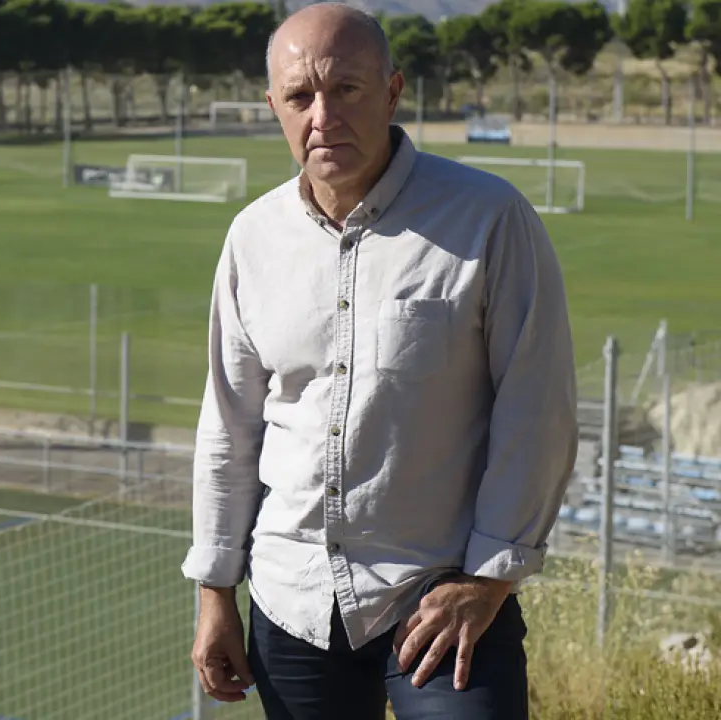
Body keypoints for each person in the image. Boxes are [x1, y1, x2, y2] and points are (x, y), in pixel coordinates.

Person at [181, 3, 578, 719]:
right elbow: (229, 427)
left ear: (393, 92)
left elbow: (537, 412)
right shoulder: (252, 239)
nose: (323, 116)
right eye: (300, 97)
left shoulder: (489, 219)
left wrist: (488, 583)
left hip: (442, 596)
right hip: (292, 604)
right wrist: (215, 592)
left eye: (347, 89)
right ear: (274, 108)